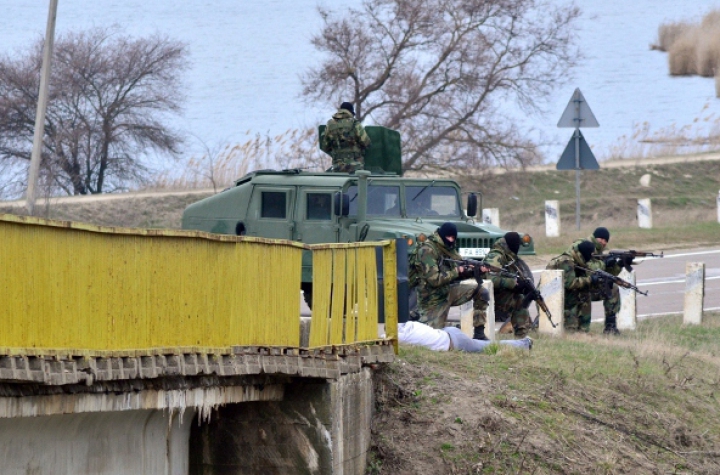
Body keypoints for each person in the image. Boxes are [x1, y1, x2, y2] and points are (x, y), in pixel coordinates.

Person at [412, 222, 491, 340]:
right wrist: (456, 271)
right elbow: (435, 280)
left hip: (447, 291)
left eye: (453, 237)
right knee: (432, 336)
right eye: (449, 237)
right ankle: (415, 317)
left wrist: (477, 271)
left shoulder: (449, 249)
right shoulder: (427, 250)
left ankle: (479, 333)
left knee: (482, 292)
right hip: (432, 300)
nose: (451, 240)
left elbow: (458, 273)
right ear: (442, 235)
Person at [571, 227, 626, 335]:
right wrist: (605, 263)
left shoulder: (600, 251)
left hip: (589, 284)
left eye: (606, 241)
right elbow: (590, 268)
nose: (603, 242)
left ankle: (610, 327)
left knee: (612, 288)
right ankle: (581, 329)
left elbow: (607, 273)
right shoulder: (583, 245)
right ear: (595, 237)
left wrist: (619, 264)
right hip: (575, 286)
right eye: (601, 239)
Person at [485, 232, 534, 339]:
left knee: (520, 298)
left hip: (498, 295)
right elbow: (489, 278)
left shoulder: (510, 257)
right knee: (518, 299)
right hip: (487, 297)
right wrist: (513, 283)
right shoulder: (496, 256)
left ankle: (522, 335)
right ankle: (521, 334)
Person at [546, 240, 600, 332]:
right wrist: (590, 280)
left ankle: (583, 329)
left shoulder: (578, 260)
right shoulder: (567, 261)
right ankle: (573, 326)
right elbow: (570, 283)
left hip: (560, 293)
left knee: (585, 292)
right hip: (550, 296)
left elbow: (582, 280)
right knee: (583, 294)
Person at [398, 320, 532, 352]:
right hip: (446, 332)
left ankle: (524, 344)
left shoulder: (400, 339)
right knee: (480, 344)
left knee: (486, 346)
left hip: (454, 341)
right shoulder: (402, 329)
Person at [320, 102, 371, 173]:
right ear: (351, 112)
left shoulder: (330, 124)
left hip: (337, 167)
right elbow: (366, 142)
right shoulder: (355, 123)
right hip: (355, 167)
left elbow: (325, 146)